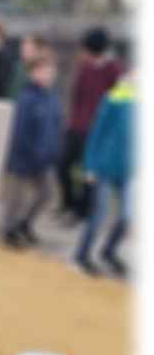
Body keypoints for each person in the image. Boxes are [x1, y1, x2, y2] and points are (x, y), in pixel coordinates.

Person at [73, 69, 136, 277]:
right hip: (104, 169)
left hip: (129, 172)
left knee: (127, 217)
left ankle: (108, 252)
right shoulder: (114, 98)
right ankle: (81, 255)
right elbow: (96, 133)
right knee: (99, 216)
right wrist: (90, 166)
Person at [58, 27, 124, 224]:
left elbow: (118, 103)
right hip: (76, 127)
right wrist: (70, 121)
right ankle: (68, 205)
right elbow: (76, 96)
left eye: (85, 49)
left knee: (88, 174)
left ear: (94, 49)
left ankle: (81, 211)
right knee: (62, 166)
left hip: (97, 131)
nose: (82, 53)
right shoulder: (84, 67)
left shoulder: (115, 70)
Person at [0, 51, 63, 247]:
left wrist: (55, 151)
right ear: (33, 73)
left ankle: (24, 224)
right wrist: (27, 154)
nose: (49, 75)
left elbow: (56, 127)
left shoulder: (52, 99)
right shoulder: (26, 98)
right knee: (15, 198)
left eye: (51, 71)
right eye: (43, 71)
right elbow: (20, 131)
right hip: (23, 158)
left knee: (46, 195)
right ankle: (7, 231)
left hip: (45, 159)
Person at [7, 33, 50, 101]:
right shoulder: (17, 66)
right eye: (23, 49)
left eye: (28, 49)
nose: (23, 52)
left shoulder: (41, 72)